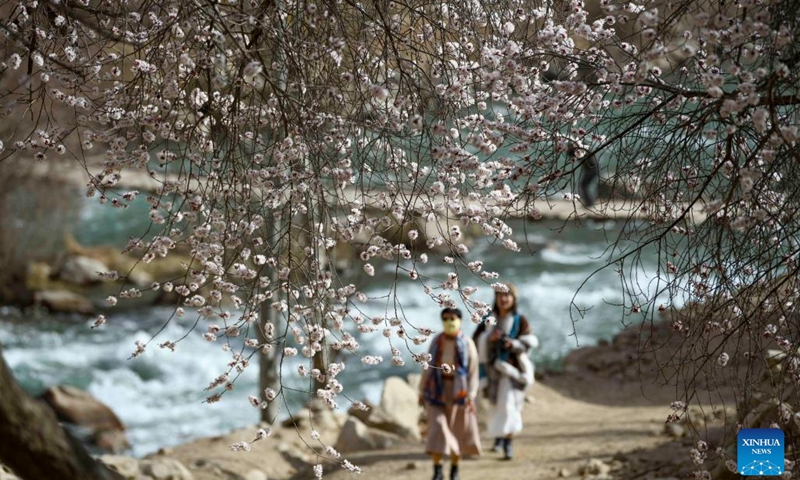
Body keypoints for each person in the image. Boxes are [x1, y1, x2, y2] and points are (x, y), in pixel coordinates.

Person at [473, 283, 538, 460]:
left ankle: (508, 443)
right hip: (492, 371)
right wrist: (488, 338)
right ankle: (499, 438)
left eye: (507, 295)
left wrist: (512, 344)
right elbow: (475, 340)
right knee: (495, 407)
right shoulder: (488, 318)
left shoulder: (520, 319)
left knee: (510, 407)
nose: (503, 298)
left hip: (512, 371)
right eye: (500, 295)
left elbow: (529, 342)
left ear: (513, 299)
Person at [419, 307, 481, 480]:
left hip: (459, 392)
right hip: (436, 390)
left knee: (457, 430)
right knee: (437, 429)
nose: (449, 322)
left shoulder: (467, 343)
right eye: (445, 318)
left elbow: (473, 371)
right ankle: (437, 469)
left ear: (459, 320)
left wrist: (471, 394)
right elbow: (427, 367)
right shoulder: (436, 341)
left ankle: (455, 468)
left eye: (452, 318)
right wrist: (422, 389)